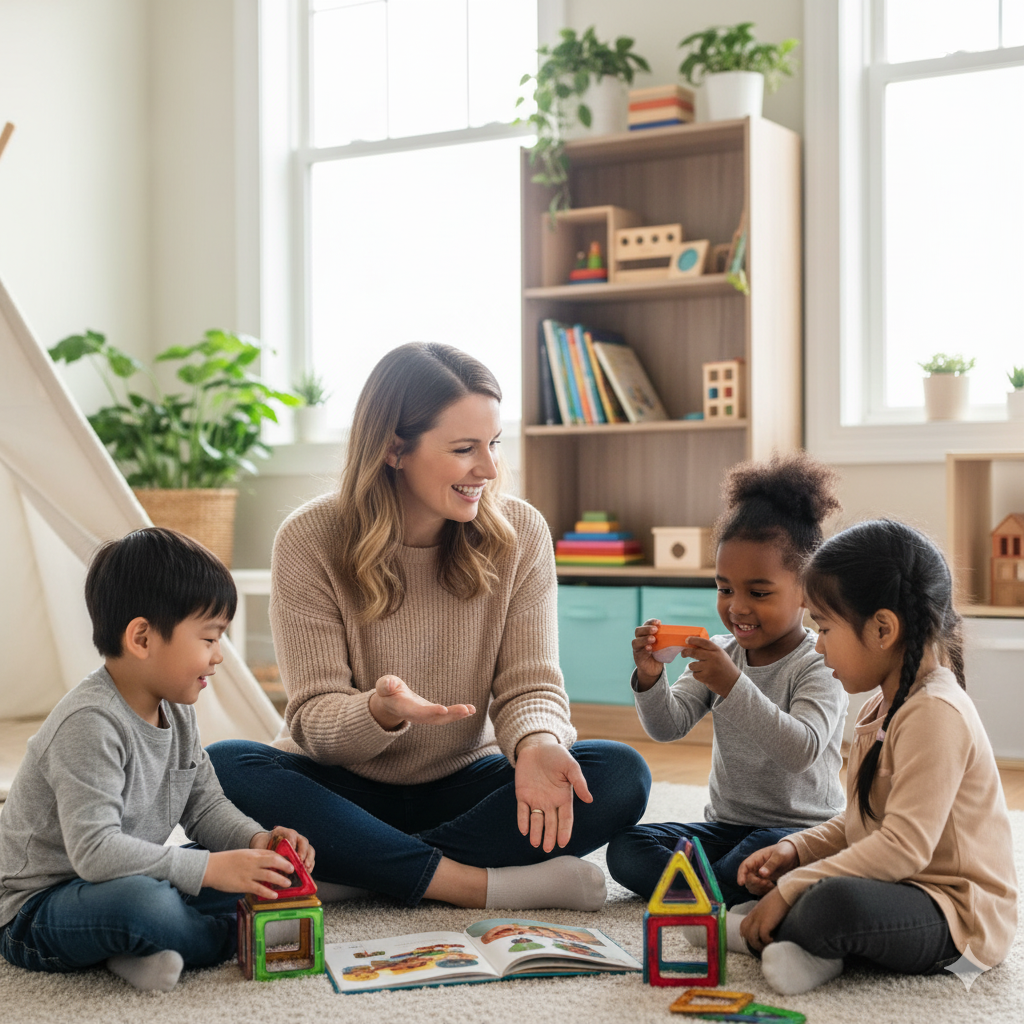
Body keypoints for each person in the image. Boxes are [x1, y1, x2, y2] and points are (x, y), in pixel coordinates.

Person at [207, 343, 650, 911]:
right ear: (394, 448)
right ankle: (469, 884)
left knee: (621, 774)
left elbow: (532, 683)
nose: (489, 469)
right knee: (222, 770)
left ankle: (357, 871)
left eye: (493, 444)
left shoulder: (521, 533)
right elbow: (313, 719)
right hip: (341, 788)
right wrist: (380, 711)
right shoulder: (309, 538)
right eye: (465, 449)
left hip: (467, 785)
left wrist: (537, 743)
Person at [0, 528, 314, 993]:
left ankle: (144, 950)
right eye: (209, 638)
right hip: (39, 906)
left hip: (127, 877)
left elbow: (204, 806)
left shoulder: (178, 710)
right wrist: (212, 871)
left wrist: (256, 840)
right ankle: (223, 937)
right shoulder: (89, 722)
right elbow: (95, 851)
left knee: (250, 874)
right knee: (148, 906)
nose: (219, 656)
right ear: (143, 638)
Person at [735, 519, 1018, 995]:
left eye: (825, 628)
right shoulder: (883, 705)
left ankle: (774, 937)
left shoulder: (935, 712)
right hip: (906, 886)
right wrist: (796, 850)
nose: (818, 645)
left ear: (883, 628)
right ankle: (802, 944)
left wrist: (794, 887)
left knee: (832, 903)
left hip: (959, 922)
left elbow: (903, 847)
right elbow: (862, 821)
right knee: (774, 862)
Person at [606, 452, 848, 909]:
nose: (736, 606)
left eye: (758, 592)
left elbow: (801, 750)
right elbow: (668, 726)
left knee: (756, 855)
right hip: (725, 828)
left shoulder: (819, 661)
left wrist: (733, 685)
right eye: (724, 589)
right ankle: (722, 891)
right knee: (626, 849)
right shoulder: (722, 651)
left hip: (797, 833)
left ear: (806, 590)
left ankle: (706, 890)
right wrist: (652, 677)